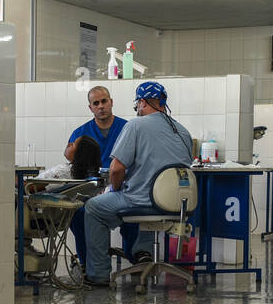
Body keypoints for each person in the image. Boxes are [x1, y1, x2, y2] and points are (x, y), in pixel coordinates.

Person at [83, 81, 194, 287]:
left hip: (143, 200)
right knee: (148, 202)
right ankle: (142, 253)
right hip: (178, 205)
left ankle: (98, 275)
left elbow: (116, 169)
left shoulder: (135, 125)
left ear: (142, 102)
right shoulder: (183, 131)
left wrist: (113, 189)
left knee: (93, 208)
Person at [65, 86, 139, 269]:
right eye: (95, 103)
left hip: (121, 188)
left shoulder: (127, 128)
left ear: (111, 102)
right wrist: (76, 148)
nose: (101, 106)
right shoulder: (81, 133)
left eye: (104, 101)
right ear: (90, 108)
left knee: (133, 215)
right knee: (78, 214)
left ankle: (134, 256)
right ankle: (86, 262)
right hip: (91, 191)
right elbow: (68, 155)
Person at [37, 135, 101, 182]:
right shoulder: (85, 174)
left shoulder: (63, 172)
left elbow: (34, 187)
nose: (69, 144)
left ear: (80, 154)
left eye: (73, 144)